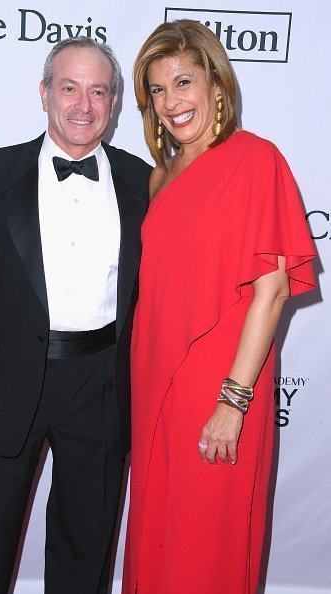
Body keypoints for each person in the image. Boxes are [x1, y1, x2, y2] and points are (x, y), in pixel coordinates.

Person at [0, 36, 151, 594]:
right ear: (44, 94)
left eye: (98, 91)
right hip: (6, 380)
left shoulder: (143, 181)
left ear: (114, 102)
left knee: (87, 547)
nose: (84, 105)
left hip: (102, 381)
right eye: (70, 88)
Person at [123, 19, 316, 594]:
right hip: (155, 377)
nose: (170, 103)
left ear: (216, 84)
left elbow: (272, 291)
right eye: (157, 90)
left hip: (222, 381)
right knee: (157, 525)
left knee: (208, 537)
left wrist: (233, 400)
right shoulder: (160, 176)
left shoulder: (257, 160)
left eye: (183, 82)